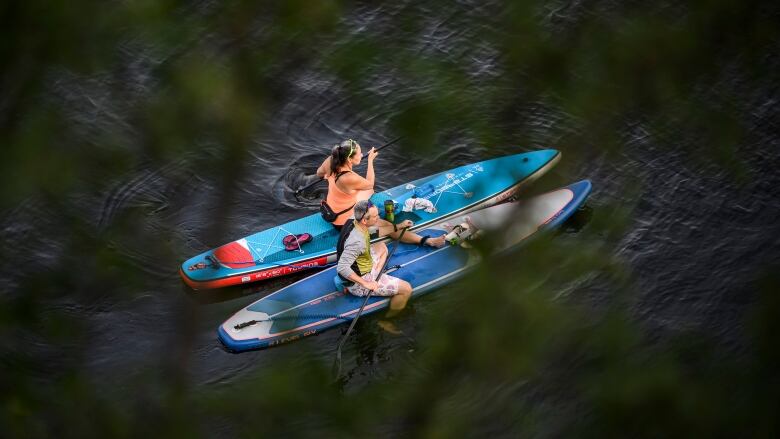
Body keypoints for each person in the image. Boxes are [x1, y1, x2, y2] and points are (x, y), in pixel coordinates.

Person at [316, 138, 445, 247]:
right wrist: (370, 160)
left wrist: (330, 176)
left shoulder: (330, 160)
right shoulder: (348, 178)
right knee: (388, 226)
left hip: (332, 209)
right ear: (349, 159)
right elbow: (369, 183)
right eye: (360, 154)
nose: (362, 155)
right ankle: (428, 241)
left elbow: (319, 173)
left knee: (369, 192)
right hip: (344, 222)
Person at [336, 200, 415, 333]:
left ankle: (374, 272)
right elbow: (342, 268)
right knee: (406, 289)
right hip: (359, 282)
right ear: (365, 221)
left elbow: (375, 232)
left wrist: (399, 226)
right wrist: (366, 284)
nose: (379, 218)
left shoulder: (353, 219)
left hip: (361, 263)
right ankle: (386, 320)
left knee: (381, 246)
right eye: (376, 216)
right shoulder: (356, 242)